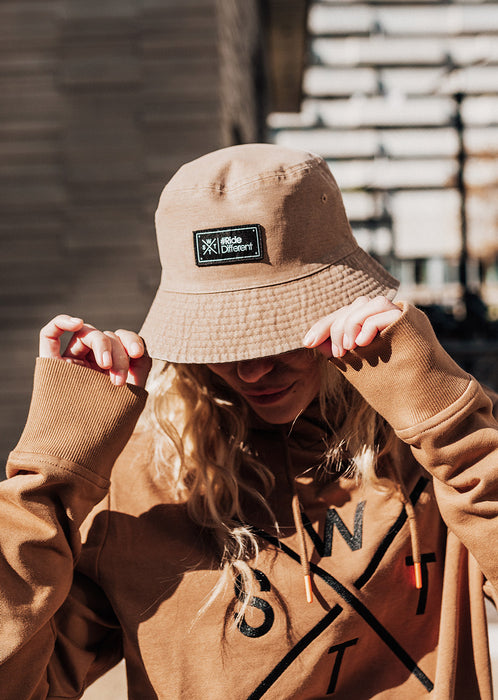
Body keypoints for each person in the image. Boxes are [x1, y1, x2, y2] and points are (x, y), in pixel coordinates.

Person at [1, 143, 497, 699]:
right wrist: (48, 477)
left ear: (344, 303)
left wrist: (446, 421)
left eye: (281, 330)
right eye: (222, 338)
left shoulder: (443, 443)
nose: (252, 369)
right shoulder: (140, 479)